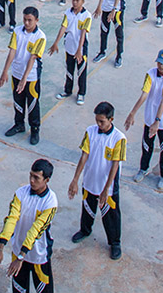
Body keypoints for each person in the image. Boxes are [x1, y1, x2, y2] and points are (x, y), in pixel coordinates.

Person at [0, 159, 58, 293]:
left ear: (46, 180)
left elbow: (36, 230)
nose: (31, 180)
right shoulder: (20, 193)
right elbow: (11, 220)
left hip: (38, 256)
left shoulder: (50, 202)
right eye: (30, 175)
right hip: (18, 251)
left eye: (36, 178)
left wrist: (21, 256)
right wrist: (0, 247)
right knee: (19, 290)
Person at [68, 101, 126, 260]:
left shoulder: (119, 138)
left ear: (111, 119)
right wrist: (75, 179)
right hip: (90, 181)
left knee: (111, 216)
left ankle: (115, 243)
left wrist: (106, 189)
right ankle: (85, 230)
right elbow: (84, 156)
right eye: (97, 121)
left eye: (102, 121)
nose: (99, 124)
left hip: (107, 186)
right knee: (87, 209)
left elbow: (115, 165)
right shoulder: (90, 132)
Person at [125, 48, 163, 189]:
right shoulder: (150, 74)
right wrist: (133, 113)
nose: (161, 66)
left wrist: (157, 121)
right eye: (159, 63)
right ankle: (143, 169)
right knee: (146, 146)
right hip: (150, 118)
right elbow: (144, 94)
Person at [0, 6, 47, 145]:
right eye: (25, 19)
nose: (26, 23)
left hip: (31, 76)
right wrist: (5, 71)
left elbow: (32, 58)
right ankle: (19, 124)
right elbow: (12, 52)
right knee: (18, 101)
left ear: (37, 20)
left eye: (30, 20)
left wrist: (24, 78)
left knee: (32, 103)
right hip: (16, 73)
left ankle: (35, 130)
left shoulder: (40, 37)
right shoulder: (17, 31)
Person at [50, 0, 92, 105]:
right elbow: (63, 27)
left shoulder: (87, 16)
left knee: (81, 72)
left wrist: (79, 50)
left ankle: (81, 93)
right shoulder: (68, 12)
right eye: (73, 0)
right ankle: (67, 90)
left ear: (83, 2)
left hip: (80, 49)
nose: (74, 2)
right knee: (69, 70)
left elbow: (83, 33)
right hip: (69, 47)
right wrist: (56, 43)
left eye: (77, 0)